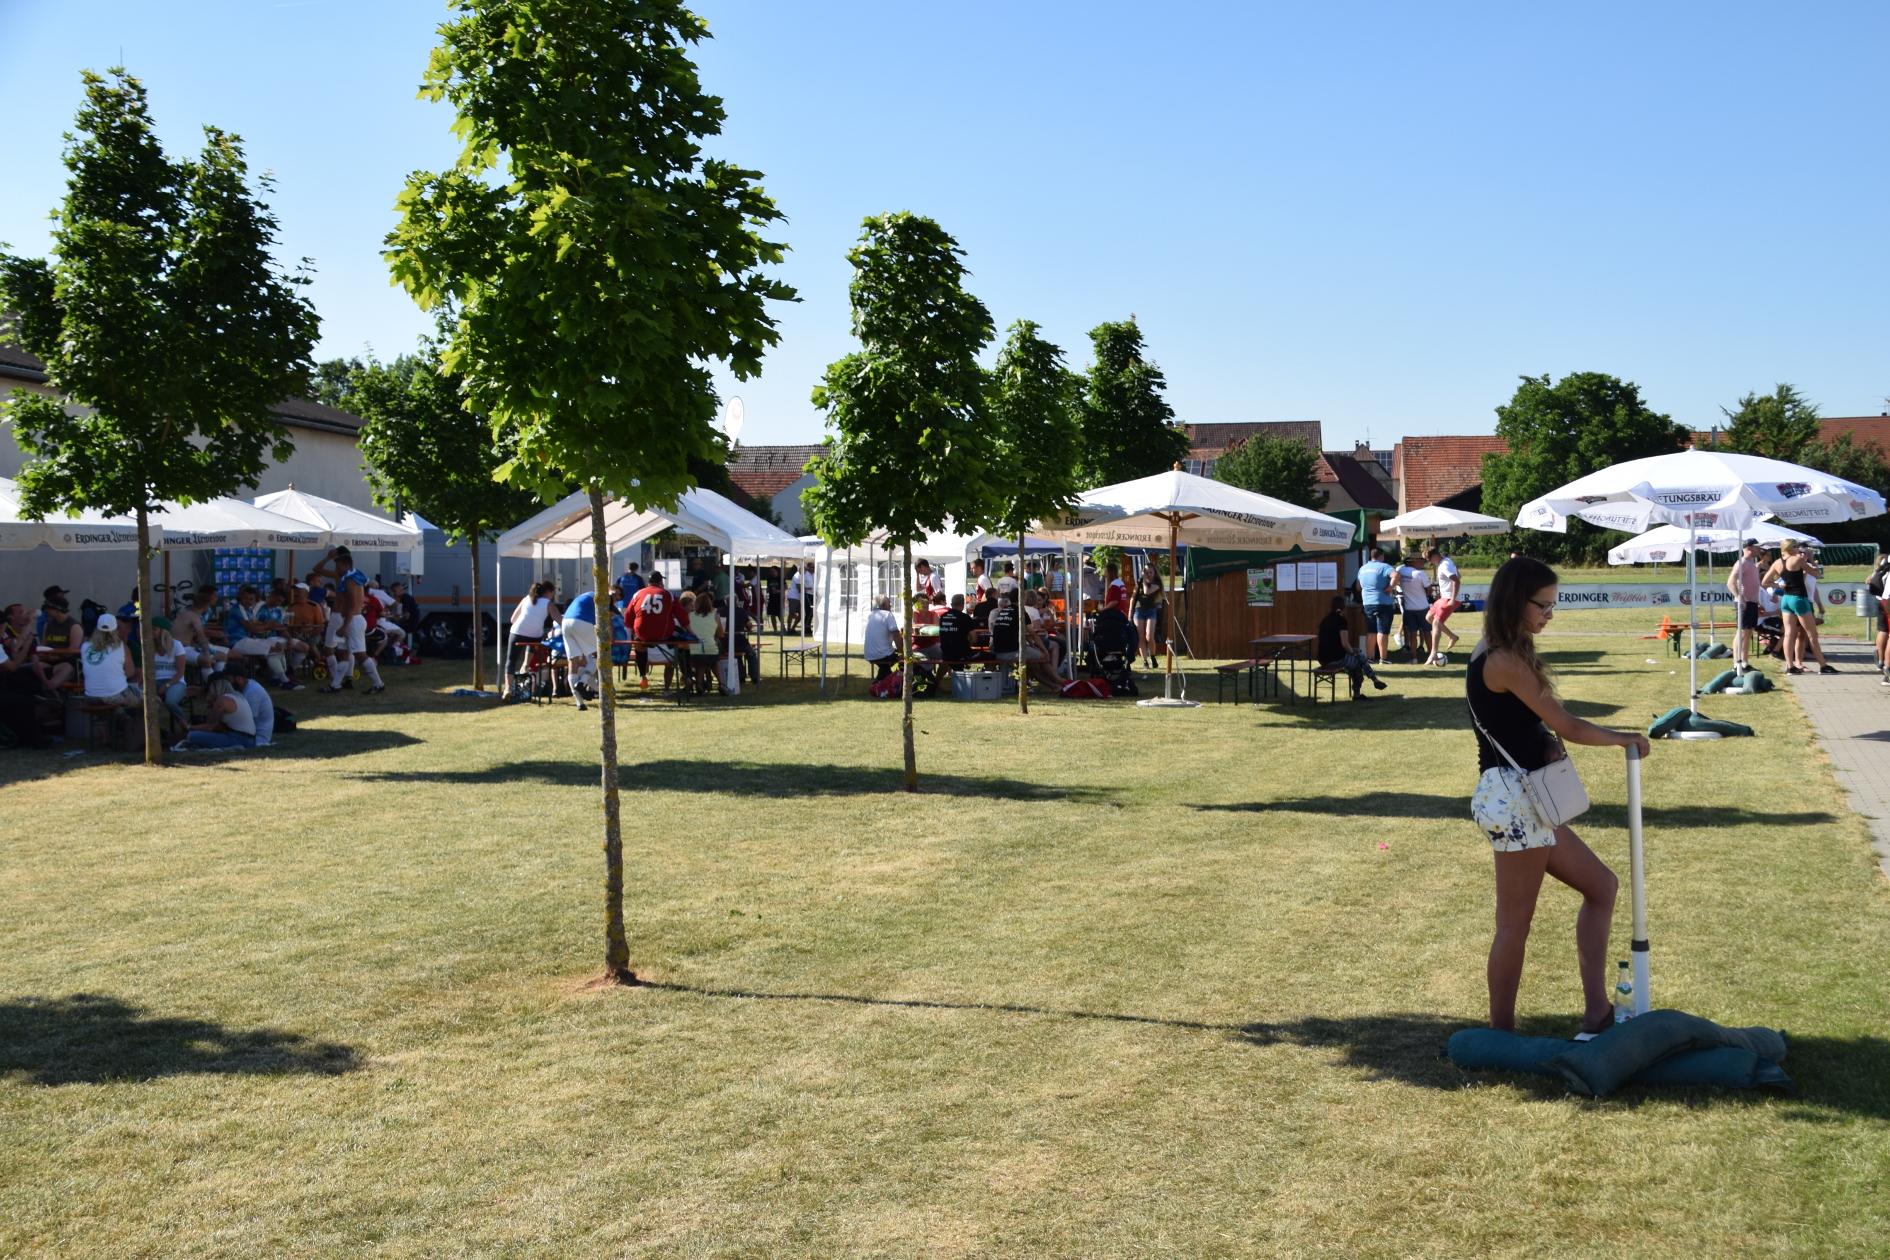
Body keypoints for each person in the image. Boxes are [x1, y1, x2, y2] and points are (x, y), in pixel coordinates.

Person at [1469, 557, 1642, 1036]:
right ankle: (1500, 1036)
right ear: (1514, 601)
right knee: (1513, 926)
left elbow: (1523, 723)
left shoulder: (1500, 650)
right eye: (1542, 605)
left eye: (1553, 605)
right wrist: (1626, 737)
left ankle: (1597, 1012)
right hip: (1515, 800)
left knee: (1602, 886)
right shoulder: (1501, 659)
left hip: (1522, 798)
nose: (1549, 614)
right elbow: (1570, 725)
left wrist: (1542, 739)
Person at [310, 547, 387, 695]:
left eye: (338, 567)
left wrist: (345, 625)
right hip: (348, 620)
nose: (336, 569)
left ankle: (378, 683)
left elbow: (352, 604)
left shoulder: (350, 580)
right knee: (343, 651)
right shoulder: (352, 577)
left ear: (346, 566)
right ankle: (335, 684)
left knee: (359, 653)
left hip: (352, 621)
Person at [1763, 539, 1834, 675]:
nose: (1799, 550)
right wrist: (1811, 560)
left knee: (1789, 634)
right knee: (1812, 634)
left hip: (1786, 599)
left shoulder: (1777, 562)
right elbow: (1818, 574)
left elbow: (1765, 582)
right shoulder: (1797, 560)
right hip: (1799, 599)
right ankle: (1823, 666)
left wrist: (1779, 585)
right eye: (1796, 547)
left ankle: (1790, 666)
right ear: (1791, 548)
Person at [222, 585, 300, 690]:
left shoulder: (247, 609)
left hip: (245, 640)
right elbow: (252, 629)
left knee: (276, 645)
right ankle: (285, 681)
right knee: (271, 648)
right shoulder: (237, 609)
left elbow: (254, 623)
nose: (248, 601)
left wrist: (265, 623)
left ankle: (275, 679)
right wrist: (268, 625)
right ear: (241, 597)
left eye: (251, 599)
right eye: (245, 598)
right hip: (236, 642)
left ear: (255, 600)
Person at [1316, 595, 1386, 697]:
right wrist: (1352, 652)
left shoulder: (1325, 620)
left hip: (1322, 657)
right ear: (1343, 608)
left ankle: (1375, 680)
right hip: (1335, 657)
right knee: (1357, 663)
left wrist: (1352, 649)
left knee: (1359, 654)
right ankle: (1358, 693)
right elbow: (1344, 643)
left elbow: (1334, 642)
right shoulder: (1341, 621)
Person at [990, 591, 1061, 690]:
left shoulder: (1004, 610)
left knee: (1031, 664)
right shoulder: (1020, 612)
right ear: (1022, 598)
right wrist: (1044, 649)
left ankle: (1053, 686)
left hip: (997, 650)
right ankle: (1057, 680)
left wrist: (1033, 646)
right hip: (1010, 651)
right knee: (1043, 657)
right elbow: (1033, 633)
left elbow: (1025, 634)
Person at [626, 570, 682, 692]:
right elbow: (681, 615)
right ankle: (685, 672)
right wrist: (689, 629)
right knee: (683, 638)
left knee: (639, 644)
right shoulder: (668, 595)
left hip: (643, 637)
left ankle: (642, 675)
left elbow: (628, 616)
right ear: (661, 581)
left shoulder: (637, 594)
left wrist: (631, 630)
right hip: (664, 637)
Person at [175, 672, 256, 751]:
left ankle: (166, 742)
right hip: (247, 739)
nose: (209, 691)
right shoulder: (237, 696)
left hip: (239, 740)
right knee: (196, 735)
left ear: (214, 685)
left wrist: (188, 727)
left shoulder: (222, 701)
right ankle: (168, 738)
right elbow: (217, 727)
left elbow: (209, 727)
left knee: (192, 735)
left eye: (209, 689)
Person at [2, 601, 71, 694]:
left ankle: (48, 689)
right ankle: (46, 693)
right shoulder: (4, 632)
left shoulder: (29, 636)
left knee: (66, 667)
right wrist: (30, 623)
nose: (26, 614)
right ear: (11, 617)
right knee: (49, 696)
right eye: (21, 612)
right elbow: (15, 644)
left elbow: (35, 661)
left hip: (26, 671)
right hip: (10, 674)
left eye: (25, 611)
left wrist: (44, 680)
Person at [504, 579, 557, 698]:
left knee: (511, 660)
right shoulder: (548, 604)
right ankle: (525, 664)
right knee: (536, 638)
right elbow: (560, 621)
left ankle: (508, 688)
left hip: (517, 632)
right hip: (534, 636)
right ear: (548, 592)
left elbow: (513, 620)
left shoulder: (526, 599)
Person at [80, 612, 142, 709]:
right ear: (114, 629)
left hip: (90, 696)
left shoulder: (85, 646)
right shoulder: (121, 646)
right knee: (152, 702)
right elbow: (130, 672)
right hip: (115, 695)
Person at [1727, 539, 1766, 676]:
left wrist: (1757, 602)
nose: (1759, 550)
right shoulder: (1742, 563)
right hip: (1744, 603)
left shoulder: (1751, 564)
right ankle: (1736, 664)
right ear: (1749, 548)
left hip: (1752, 602)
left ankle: (1744, 663)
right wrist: (1740, 598)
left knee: (1748, 632)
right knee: (1742, 632)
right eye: (1757, 548)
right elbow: (1730, 583)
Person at [561, 585, 601, 709]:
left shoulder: (586, 595)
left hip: (565, 621)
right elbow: (608, 619)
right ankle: (583, 683)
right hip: (580, 621)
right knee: (600, 654)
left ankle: (579, 702)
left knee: (573, 662)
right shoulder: (603, 597)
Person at [1354, 546, 1396, 665]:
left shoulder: (1362, 569)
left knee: (1371, 631)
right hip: (1383, 602)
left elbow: (1358, 587)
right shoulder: (1384, 567)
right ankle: (1383, 658)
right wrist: (1390, 587)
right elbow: (1396, 575)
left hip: (1367, 603)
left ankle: (1369, 657)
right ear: (1381, 556)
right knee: (1382, 631)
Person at [226, 659, 275, 746]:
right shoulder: (243, 687)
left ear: (238, 679)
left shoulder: (252, 692)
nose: (225, 683)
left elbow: (248, 721)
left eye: (228, 680)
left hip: (256, 737)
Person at [1426, 547, 1461, 666]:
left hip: (1449, 598)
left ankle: (1434, 653)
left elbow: (1456, 580)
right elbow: (1459, 575)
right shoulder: (1448, 561)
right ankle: (1452, 636)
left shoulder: (1444, 564)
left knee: (1436, 623)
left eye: (1429, 559)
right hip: (1444, 597)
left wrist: (1452, 599)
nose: (1430, 563)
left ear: (1435, 556)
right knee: (1429, 618)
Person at [1395, 553, 1431, 665]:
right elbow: (1429, 590)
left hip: (1409, 607)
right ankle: (1431, 656)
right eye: (1419, 561)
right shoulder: (1420, 574)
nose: (1421, 563)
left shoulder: (1401, 572)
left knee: (1412, 633)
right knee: (1427, 632)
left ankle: (1414, 658)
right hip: (1423, 607)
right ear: (1412, 562)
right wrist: (1421, 596)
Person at [862, 595, 903, 682]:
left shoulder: (871, 615)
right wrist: (901, 653)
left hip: (870, 654)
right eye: (889, 603)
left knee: (884, 668)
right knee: (907, 658)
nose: (891, 605)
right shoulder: (887, 614)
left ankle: (880, 681)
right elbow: (895, 634)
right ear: (884, 605)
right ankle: (900, 682)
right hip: (883, 654)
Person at [1131, 567, 1164, 668]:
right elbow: (1134, 596)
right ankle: (1145, 661)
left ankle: (1153, 657)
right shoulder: (1140, 581)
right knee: (1141, 636)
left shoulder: (1157, 583)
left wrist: (1144, 580)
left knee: (1149, 635)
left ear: (1154, 573)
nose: (1148, 574)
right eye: (1147, 572)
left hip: (1150, 611)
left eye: (1151, 572)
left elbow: (1146, 591)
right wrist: (1129, 612)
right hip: (1138, 610)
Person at [936, 594, 977, 668]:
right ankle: (983, 677)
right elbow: (974, 640)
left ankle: (936, 680)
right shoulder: (965, 617)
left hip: (945, 652)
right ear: (963, 604)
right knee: (992, 657)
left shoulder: (943, 617)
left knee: (946, 665)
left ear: (951, 604)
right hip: (962, 653)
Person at [1869, 553, 1890, 683]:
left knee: (1884, 632)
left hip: (1884, 600)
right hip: (1887, 601)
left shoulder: (1885, 565)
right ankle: (1887, 668)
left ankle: (1884, 665)